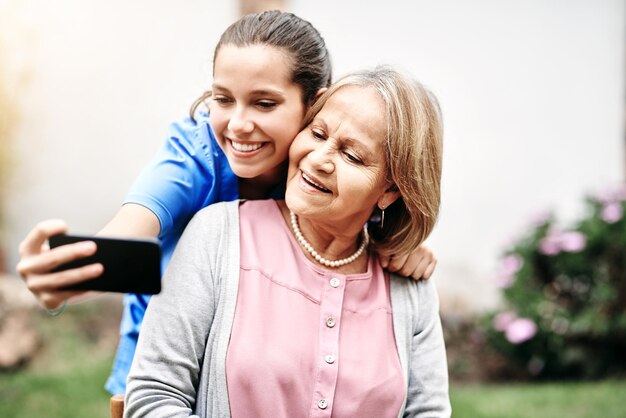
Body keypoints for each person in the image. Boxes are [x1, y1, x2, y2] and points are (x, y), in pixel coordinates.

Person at [15, 11, 438, 396]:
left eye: (264, 103)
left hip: (259, 377)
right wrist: (63, 276)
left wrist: (397, 241)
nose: (237, 124)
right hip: (163, 371)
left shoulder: (313, 169)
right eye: (222, 98)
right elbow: (128, 234)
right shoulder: (195, 155)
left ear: (314, 105)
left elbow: (353, 217)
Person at [125, 67, 450, 418]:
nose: (319, 159)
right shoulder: (217, 235)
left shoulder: (409, 287)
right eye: (317, 132)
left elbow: (428, 412)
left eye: (352, 156)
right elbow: (154, 399)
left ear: (390, 191)